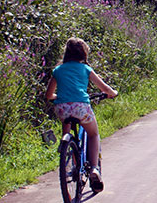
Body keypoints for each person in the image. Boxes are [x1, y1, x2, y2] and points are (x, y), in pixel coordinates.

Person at [45, 37, 117, 192]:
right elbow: (104, 88)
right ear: (83, 54)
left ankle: (65, 143)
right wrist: (112, 93)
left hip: (62, 109)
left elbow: (49, 95)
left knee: (66, 115)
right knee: (93, 134)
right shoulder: (85, 69)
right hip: (81, 108)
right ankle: (93, 169)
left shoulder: (58, 71)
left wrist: (58, 97)